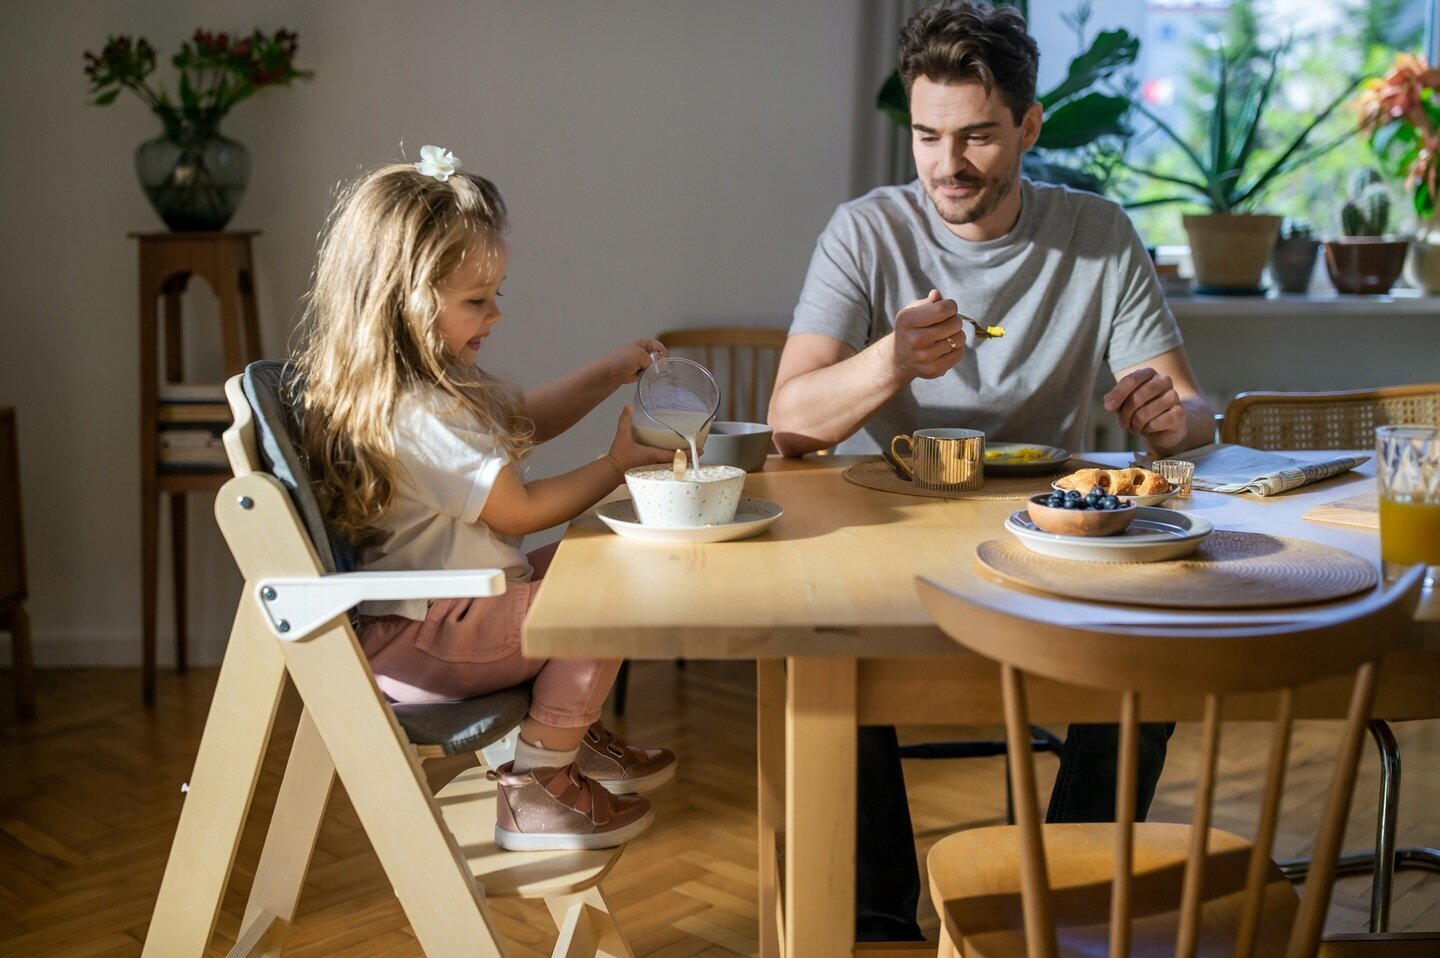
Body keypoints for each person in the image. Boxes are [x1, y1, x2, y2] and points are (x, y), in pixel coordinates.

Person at [767, 2, 1217, 941]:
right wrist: (889, 361)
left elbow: (1190, 408)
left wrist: (1172, 418)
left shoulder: (1096, 233)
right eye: (928, 136)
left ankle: (1052, 909)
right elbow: (790, 422)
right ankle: (879, 917)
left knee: (1152, 674)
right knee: (824, 658)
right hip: (893, 532)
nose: (947, 165)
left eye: (976, 135)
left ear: (1029, 126)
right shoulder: (866, 231)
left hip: (1052, 537)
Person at [293, 146, 678, 853]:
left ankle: (569, 734)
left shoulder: (421, 393)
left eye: (496, 295)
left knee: (601, 556)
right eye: (476, 300)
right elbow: (519, 512)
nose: (494, 314)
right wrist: (617, 465)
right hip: (430, 641)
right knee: (616, 580)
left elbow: (520, 422)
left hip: (442, 625)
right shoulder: (420, 413)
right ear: (404, 298)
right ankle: (540, 784)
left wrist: (605, 374)